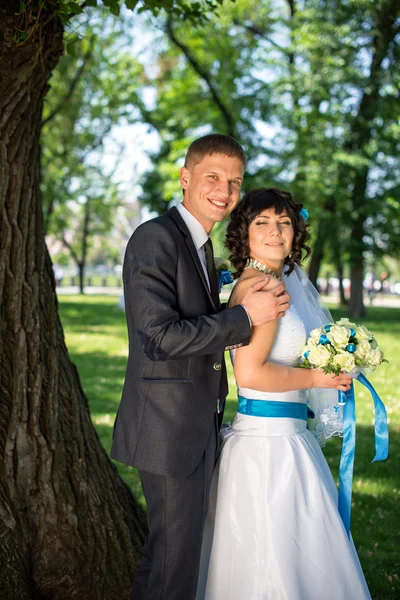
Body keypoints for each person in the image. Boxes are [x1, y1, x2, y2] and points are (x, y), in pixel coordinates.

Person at [110, 135, 291, 600]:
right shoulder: (156, 237)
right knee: (173, 563)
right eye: (213, 177)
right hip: (167, 429)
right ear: (185, 178)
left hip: (195, 425)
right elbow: (158, 338)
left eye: (234, 182)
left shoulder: (202, 246)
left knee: (176, 556)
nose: (225, 191)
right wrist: (245, 318)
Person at [196, 188, 371, 600]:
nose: (276, 232)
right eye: (263, 223)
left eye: (284, 223)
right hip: (270, 447)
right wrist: (318, 379)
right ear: (245, 234)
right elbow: (251, 373)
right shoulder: (263, 290)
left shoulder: (265, 281)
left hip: (277, 436)